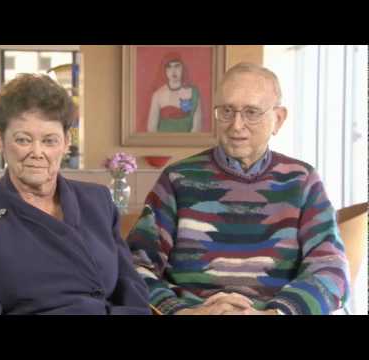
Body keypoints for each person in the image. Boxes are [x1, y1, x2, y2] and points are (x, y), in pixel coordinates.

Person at [128, 62, 350, 315]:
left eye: (252, 112)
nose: (236, 125)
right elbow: (134, 266)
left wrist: (275, 313)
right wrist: (182, 312)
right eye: (226, 111)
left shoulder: (302, 180)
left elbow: (331, 268)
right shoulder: (177, 179)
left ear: (278, 119)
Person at [0, 74, 151, 315]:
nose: (37, 152)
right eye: (23, 140)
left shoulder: (97, 200)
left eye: (50, 141)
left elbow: (131, 287)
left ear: (66, 142)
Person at [146, 52, 202, 132]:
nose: (173, 71)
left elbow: (197, 128)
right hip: (162, 143)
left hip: (188, 143)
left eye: (177, 66)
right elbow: (151, 129)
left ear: (183, 68)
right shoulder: (157, 95)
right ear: (164, 70)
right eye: (169, 67)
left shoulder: (194, 93)